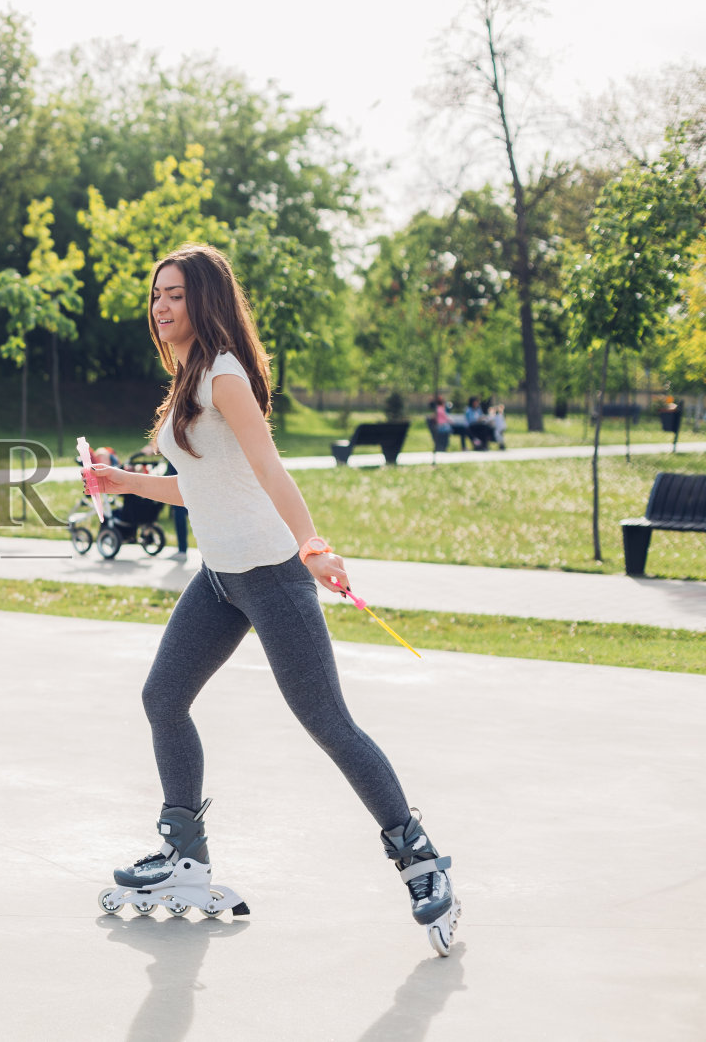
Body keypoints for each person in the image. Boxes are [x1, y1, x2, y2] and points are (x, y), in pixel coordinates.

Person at [87, 244, 459, 956]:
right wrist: (124, 481)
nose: (161, 306)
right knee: (164, 697)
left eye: (175, 294)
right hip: (220, 578)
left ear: (205, 300)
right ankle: (184, 855)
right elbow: (202, 485)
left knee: (327, 721)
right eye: (157, 294)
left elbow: (268, 469)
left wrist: (313, 547)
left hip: (272, 575)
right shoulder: (190, 375)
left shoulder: (224, 375)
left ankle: (420, 860)